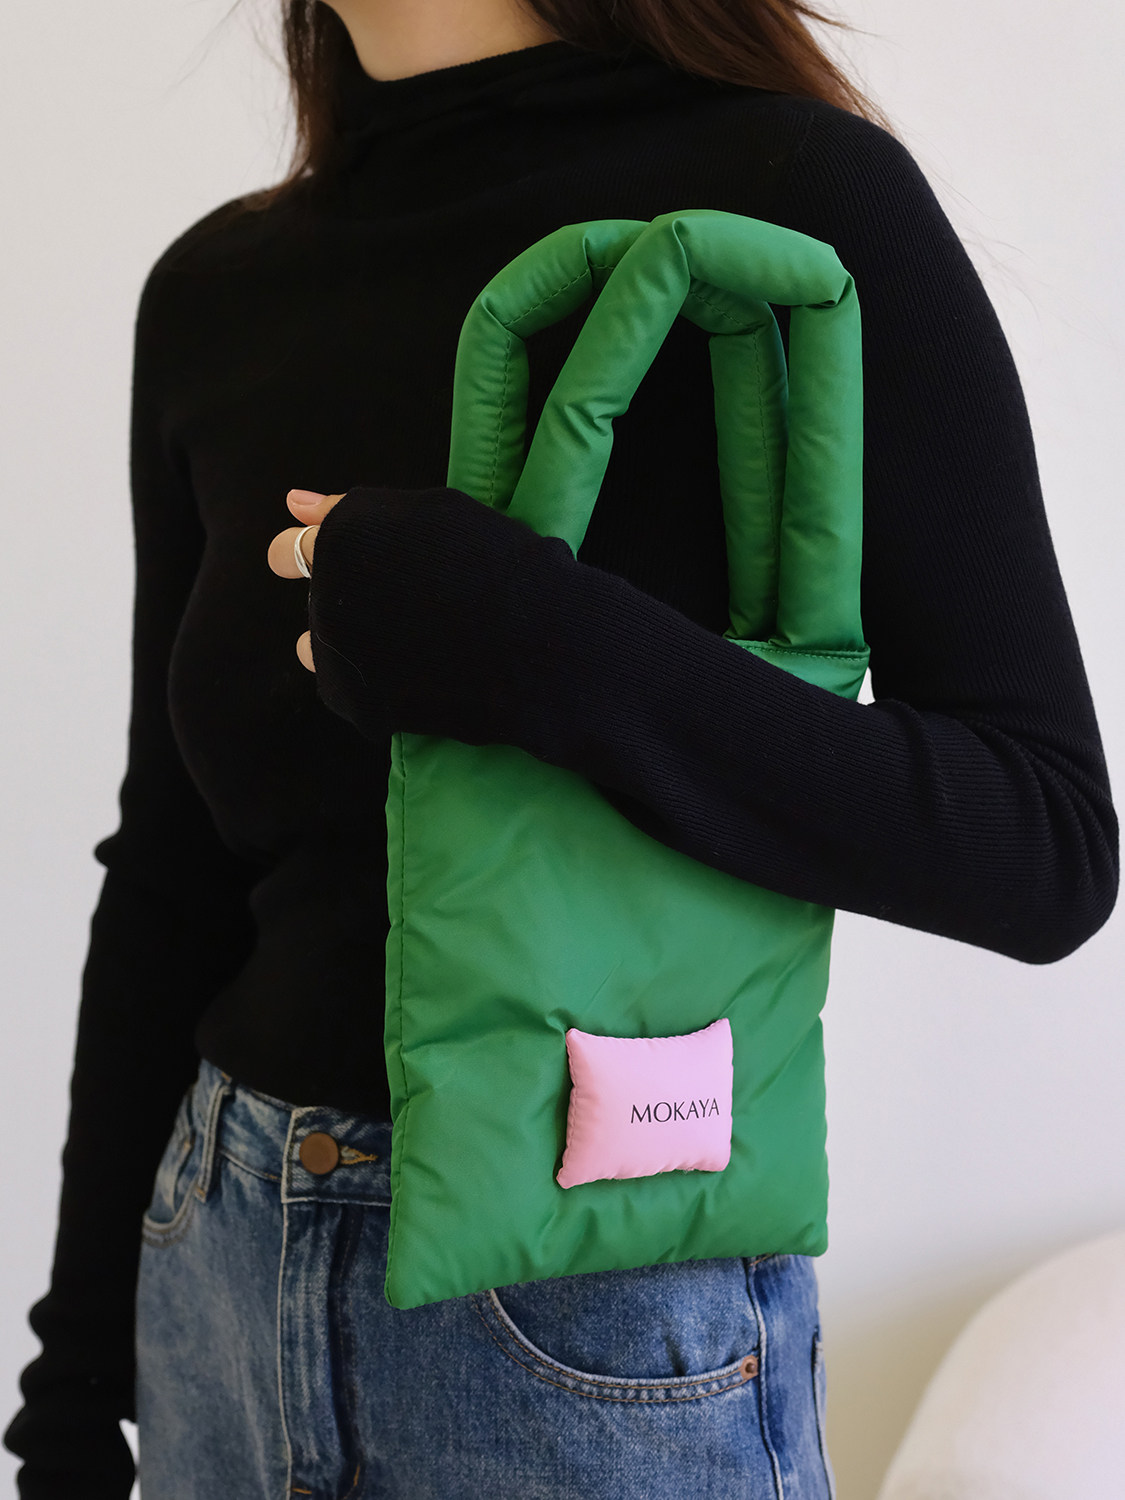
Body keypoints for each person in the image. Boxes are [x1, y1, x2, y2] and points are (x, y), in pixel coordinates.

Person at [5, 0, 1119, 1494]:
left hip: (590, 1316)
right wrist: (72, 1398)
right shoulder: (216, 290)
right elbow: (173, 874)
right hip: (216, 1267)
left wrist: (541, 644)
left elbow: (1042, 843)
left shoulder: (791, 197)